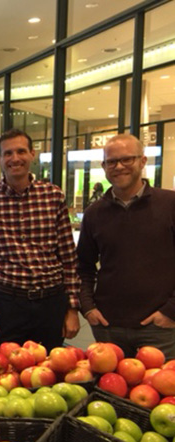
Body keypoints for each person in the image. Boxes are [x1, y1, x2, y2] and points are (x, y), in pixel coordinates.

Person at [0, 128, 80, 351]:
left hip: (51, 304)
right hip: (7, 305)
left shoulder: (53, 196)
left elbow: (69, 259)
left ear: (32, 154)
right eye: (8, 153)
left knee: (51, 371)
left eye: (21, 151)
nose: (15, 158)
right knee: (4, 373)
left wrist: (72, 309)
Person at [77, 134, 175, 359]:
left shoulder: (170, 205)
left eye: (127, 159)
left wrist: (171, 311)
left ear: (142, 161)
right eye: (111, 162)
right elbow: (83, 266)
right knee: (110, 391)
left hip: (160, 328)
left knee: (161, 390)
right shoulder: (94, 213)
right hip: (108, 327)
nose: (119, 166)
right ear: (103, 166)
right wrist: (88, 307)